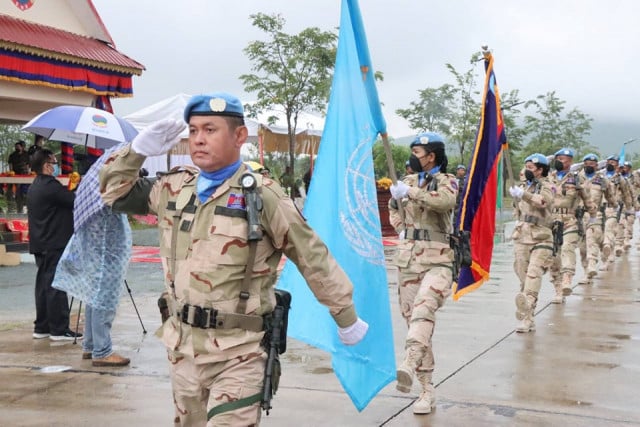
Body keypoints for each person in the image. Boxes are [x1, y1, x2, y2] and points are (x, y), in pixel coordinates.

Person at [98, 92, 368, 426]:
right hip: (183, 348)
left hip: (240, 351)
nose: (198, 139)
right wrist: (136, 151)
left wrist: (346, 317)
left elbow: (310, 253)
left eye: (210, 130)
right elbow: (112, 191)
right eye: (193, 130)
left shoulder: (261, 196)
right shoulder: (172, 189)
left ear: (239, 136)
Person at [388, 132, 457, 415]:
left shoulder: (446, 180)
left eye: (418, 151)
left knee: (423, 310)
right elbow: (394, 211)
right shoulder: (404, 182)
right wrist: (400, 226)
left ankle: (408, 361)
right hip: (408, 259)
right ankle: (426, 388)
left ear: (432, 155)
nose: (413, 155)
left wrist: (412, 193)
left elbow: (445, 202)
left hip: (438, 258)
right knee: (413, 320)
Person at [52, 143, 131, 367]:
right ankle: (102, 350)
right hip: (108, 254)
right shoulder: (107, 189)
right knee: (104, 299)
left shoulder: (91, 185)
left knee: (93, 296)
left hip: (98, 253)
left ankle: (90, 345)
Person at [27, 149, 82, 341]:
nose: (56, 164)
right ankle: (59, 329)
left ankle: (42, 327)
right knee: (56, 284)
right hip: (53, 242)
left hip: (41, 241)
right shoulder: (50, 185)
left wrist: (71, 187)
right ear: (46, 166)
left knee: (43, 285)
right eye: (54, 161)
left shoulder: (36, 185)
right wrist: (77, 187)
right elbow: (74, 201)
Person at [509, 153, 555, 333]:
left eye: (530, 168)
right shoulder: (522, 186)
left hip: (541, 237)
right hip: (522, 237)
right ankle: (528, 313)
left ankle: (527, 317)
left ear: (540, 170)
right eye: (525, 167)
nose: (526, 170)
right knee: (523, 278)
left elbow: (543, 202)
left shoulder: (548, 185)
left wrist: (524, 194)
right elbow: (518, 210)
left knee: (533, 274)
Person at [548, 148, 595, 303]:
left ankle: (568, 278)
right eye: (560, 158)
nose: (563, 161)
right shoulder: (548, 177)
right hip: (551, 221)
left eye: (566, 159)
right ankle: (558, 289)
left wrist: (592, 215)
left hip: (570, 220)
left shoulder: (576, 179)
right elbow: (526, 175)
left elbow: (587, 198)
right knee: (554, 256)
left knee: (568, 248)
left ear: (571, 162)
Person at [577, 154, 615, 283]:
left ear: (597, 165)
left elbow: (610, 196)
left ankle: (592, 265)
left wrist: (614, 206)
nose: (590, 165)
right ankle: (586, 271)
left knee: (591, 238)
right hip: (579, 215)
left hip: (595, 214)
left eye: (592, 163)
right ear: (583, 164)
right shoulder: (575, 178)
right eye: (587, 163)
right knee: (582, 248)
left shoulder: (602, 179)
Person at [7, 140, 30, 213]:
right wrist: (11, 172)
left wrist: (28, 172)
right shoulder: (12, 155)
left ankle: (21, 208)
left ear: (22, 147)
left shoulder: (26, 154)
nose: (17, 148)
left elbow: (28, 165)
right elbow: (10, 165)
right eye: (16, 147)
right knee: (11, 191)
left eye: (18, 147)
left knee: (21, 192)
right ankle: (10, 207)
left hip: (24, 175)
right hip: (14, 175)